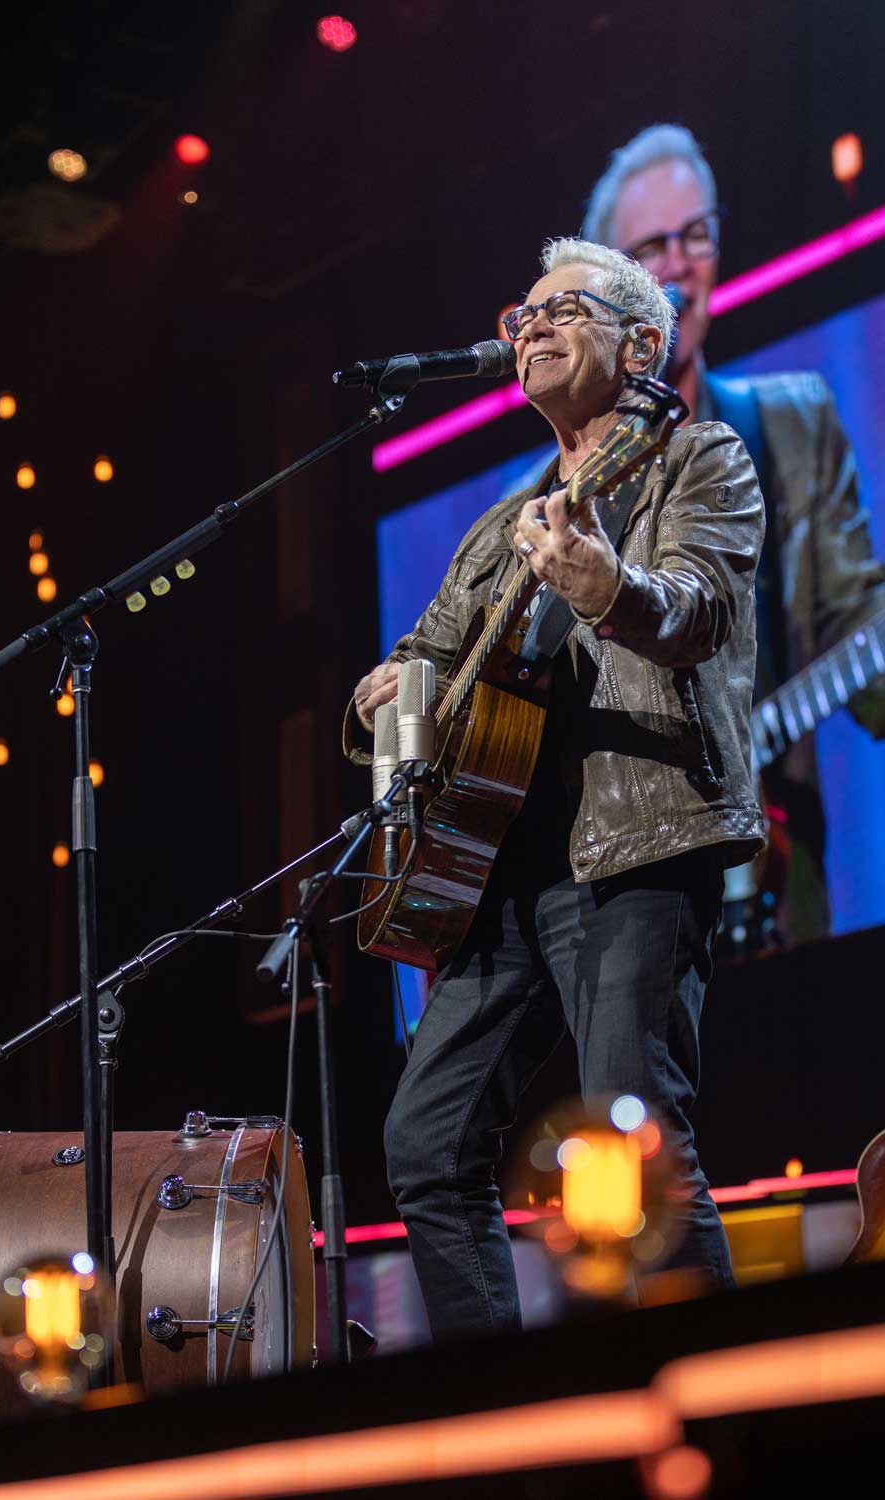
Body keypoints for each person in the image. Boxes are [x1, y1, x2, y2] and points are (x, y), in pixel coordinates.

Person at [346, 239, 765, 1341]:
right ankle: (504, 1403)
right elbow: (415, 665)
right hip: (495, 868)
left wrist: (605, 586)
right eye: (519, 315)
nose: (526, 329)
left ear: (637, 344)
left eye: (559, 311)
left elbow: (692, 612)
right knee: (425, 1147)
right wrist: (380, 700)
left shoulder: (698, 460)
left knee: (629, 1143)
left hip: (634, 845)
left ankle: (718, 1410)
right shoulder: (498, 527)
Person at [583, 124, 885, 945]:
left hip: (777, 899)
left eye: (696, 235)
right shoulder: (543, 496)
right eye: (650, 246)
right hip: (614, 920)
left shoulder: (789, 424)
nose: (678, 263)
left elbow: (858, 632)